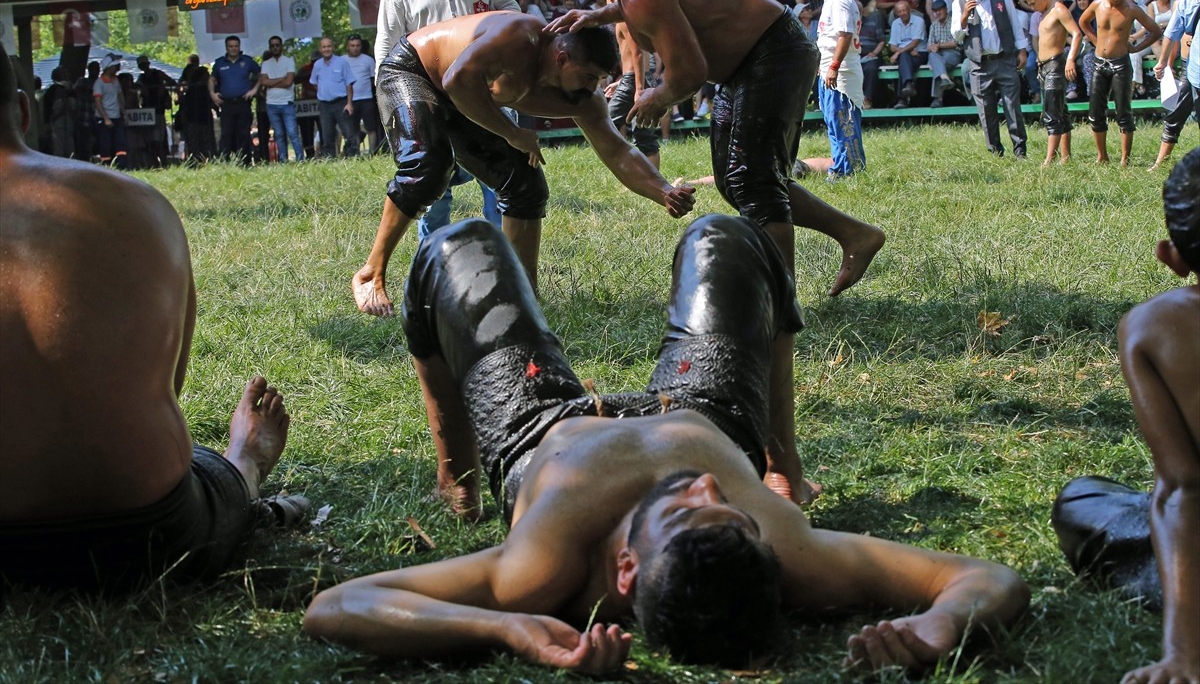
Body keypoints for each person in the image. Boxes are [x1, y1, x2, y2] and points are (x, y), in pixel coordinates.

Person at [303, 213, 1030, 674]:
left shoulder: (539, 568)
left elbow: (338, 607)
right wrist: (936, 626)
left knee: (460, 247)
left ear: (624, 572)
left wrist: (506, 629)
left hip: (540, 424)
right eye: (732, 511)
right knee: (726, 237)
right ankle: (785, 465)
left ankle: (453, 476)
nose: (706, 487)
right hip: (701, 407)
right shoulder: (795, 556)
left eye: (685, 512)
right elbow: (990, 580)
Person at [538, 0, 886, 502]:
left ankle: (779, 297)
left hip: (771, 56)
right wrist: (597, 12)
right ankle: (855, 234)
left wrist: (654, 95)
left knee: (751, 179)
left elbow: (690, 68)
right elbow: (673, 1)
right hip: (755, 56)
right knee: (736, 178)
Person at [0, 43, 295, 593]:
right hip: (149, 532)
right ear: (21, 110)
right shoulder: (134, 202)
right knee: (205, 464)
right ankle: (244, 462)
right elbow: (166, 389)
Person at [356, 11, 694, 319]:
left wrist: (664, 191)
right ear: (562, 59)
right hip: (414, 71)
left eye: (599, 80)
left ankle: (522, 294)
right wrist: (513, 133)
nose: (593, 88)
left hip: (466, 99)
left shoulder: (583, 100)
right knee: (428, 168)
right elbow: (457, 79)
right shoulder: (519, 38)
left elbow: (618, 151)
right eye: (589, 77)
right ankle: (371, 273)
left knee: (526, 185)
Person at [1052, 148, 1200, 684]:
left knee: (1083, 500)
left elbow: (1183, 488)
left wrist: (1185, 654)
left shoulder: (1155, 326)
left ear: (1172, 257)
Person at [359, 0, 517, 308]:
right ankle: (435, 279)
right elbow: (385, 51)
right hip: (428, 98)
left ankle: (505, 275)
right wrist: (397, 111)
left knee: (502, 184)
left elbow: (511, 15)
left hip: (485, 95)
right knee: (433, 193)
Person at [1077, 0, 1162, 165]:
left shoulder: (1131, 8)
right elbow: (1083, 22)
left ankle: (1125, 159)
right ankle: (1102, 156)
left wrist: (1135, 48)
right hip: (1099, 62)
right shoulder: (1097, 5)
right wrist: (1095, 40)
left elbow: (1155, 30)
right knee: (1096, 112)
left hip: (1120, 63)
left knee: (1123, 111)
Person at [952, 0, 1030, 159]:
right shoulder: (959, 2)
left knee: (1012, 106)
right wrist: (964, 17)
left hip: (1004, 58)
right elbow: (957, 36)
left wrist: (1022, 50)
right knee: (986, 111)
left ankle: (1020, 150)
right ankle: (996, 152)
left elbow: (1014, 22)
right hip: (978, 64)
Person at [802, 0, 865, 178]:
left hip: (842, 72)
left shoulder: (839, 0)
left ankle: (851, 171)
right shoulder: (832, 0)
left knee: (843, 122)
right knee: (833, 121)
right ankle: (841, 169)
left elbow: (845, 34)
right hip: (831, 70)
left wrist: (834, 67)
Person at [1020, 0, 1083, 166]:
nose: (1032, 8)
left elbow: (1076, 34)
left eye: (1033, 3)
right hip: (1044, 66)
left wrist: (1070, 58)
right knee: (1060, 112)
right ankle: (1065, 156)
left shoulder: (1059, 9)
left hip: (1056, 64)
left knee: (1052, 114)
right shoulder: (1044, 12)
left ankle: (1049, 159)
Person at [1151, 0, 1200, 170]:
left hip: (1194, 67)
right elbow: (1172, 35)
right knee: (1177, 114)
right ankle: (1160, 162)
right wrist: (1165, 63)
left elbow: (1171, 34)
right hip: (1192, 69)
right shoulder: (1184, 1)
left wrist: (1162, 63)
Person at [604, 0, 659, 169]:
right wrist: (620, 82)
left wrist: (638, 89)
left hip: (635, 81)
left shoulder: (624, 20)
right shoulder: (631, 18)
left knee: (605, 125)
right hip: (633, 79)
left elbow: (637, 55)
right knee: (642, 132)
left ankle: (646, 179)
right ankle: (645, 177)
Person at [209, 35, 260, 165]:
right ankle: (225, 163)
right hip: (226, 104)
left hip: (243, 102)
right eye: (231, 46)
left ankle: (245, 163)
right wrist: (212, 94)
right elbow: (212, 79)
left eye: (236, 46)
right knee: (226, 134)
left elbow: (262, 74)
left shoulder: (247, 61)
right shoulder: (220, 63)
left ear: (239, 47)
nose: (233, 49)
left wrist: (254, 90)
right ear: (226, 47)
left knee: (243, 133)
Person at [259, 36, 304, 162]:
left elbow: (289, 82)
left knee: (293, 133)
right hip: (271, 103)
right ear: (270, 47)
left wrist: (271, 82)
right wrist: (280, 79)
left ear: (281, 46)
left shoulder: (289, 61)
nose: (275, 47)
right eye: (272, 45)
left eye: (277, 45)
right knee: (278, 134)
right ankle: (283, 160)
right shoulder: (266, 64)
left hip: (286, 103)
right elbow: (264, 81)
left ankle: (301, 159)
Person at [309, 36, 355, 158]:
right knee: (327, 135)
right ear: (320, 49)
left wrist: (349, 103)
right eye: (324, 47)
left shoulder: (342, 62)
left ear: (333, 47)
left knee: (348, 134)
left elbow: (349, 84)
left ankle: (352, 158)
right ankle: (330, 160)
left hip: (341, 102)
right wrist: (324, 92)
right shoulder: (317, 65)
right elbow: (314, 82)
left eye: (329, 46)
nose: (326, 49)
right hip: (324, 105)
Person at [344, 34, 379, 157]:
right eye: (352, 46)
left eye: (358, 45)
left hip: (366, 98)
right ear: (348, 46)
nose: (355, 48)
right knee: (353, 129)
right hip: (349, 100)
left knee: (370, 127)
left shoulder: (368, 60)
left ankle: (372, 153)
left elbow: (373, 80)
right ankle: (355, 154)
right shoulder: (342, 60)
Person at [888, 0, 927, 109]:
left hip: (919, 53)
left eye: (904, 10)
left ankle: (901, 99)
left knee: (903, 61)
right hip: (908, 54)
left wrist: (897, 53)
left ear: (909, 10)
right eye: (900, 11)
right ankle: (908, 84)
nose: (903, 13)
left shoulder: (919, 21)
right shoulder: (895, 23)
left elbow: (915, 42)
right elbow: (892, 46)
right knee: (904, 58)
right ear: (896, 13)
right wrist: (906, 51)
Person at [136, 54, 175, 163]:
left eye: (145, 64)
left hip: (158, 110)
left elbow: (171, 81)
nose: (144, 67)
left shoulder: (158, 74)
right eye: (141, 65)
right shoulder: (141, 78)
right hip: (147, 113)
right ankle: (153, 163)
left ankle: (163, 162)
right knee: (150, 141)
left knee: (158, 140)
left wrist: (163, 88)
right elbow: (136, 87)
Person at [925, 0, 963, 108]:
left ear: (946, 9)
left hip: (952, 53)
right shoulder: (933, 25)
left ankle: (938, 99)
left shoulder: (955, 22)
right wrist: (933, 47)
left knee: (937, 64)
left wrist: (939, 45)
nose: (937, 13)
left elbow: (956, 43)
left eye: (939, 10)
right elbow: (929, 46)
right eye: (935, 11)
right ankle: (944, 77)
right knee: (932, 56)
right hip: (937, 54)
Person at [93, 52, 128, 168]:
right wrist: (106, 118)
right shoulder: (99, 83)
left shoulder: (115, 81)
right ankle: (107, 167)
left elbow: (119, 97)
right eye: (115, 66)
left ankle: (122, 166)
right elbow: (98, 102)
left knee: (120, 143)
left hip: (117, 116)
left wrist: (124, 113)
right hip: (104, 119)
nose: (118, 68)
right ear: (109, 67)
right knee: (105, 144)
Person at [41, 66, 75, 158]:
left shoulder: (71, 90)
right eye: (63, 73)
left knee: (70, 148)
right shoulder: (52, 91)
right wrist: (48, 123)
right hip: (57, 123)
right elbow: (47, 108)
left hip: (69, 122)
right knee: (59, 148)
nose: (66, 75)